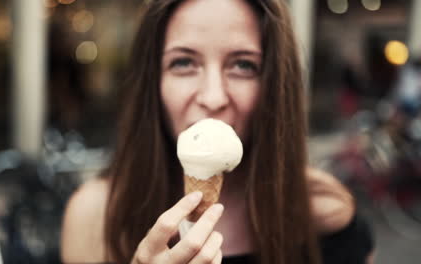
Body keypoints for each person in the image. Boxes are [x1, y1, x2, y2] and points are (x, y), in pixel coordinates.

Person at [60, 0, 374, 263]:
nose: (212, 97)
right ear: (153, 84)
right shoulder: (95, 216)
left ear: (273, 85)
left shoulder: (325, 212)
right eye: (183, 62)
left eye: (243, 65)